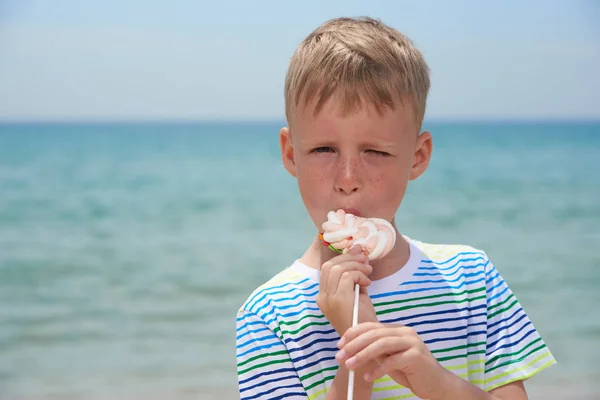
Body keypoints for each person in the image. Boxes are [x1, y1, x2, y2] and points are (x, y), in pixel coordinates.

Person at [235, 16, 556, 400]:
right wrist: (360, 355)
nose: (348, 177)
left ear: (417, 157)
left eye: (376, 152)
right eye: (323, 149)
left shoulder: (472, 280)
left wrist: (432, 379)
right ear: (291, 154)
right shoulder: (267, 316)